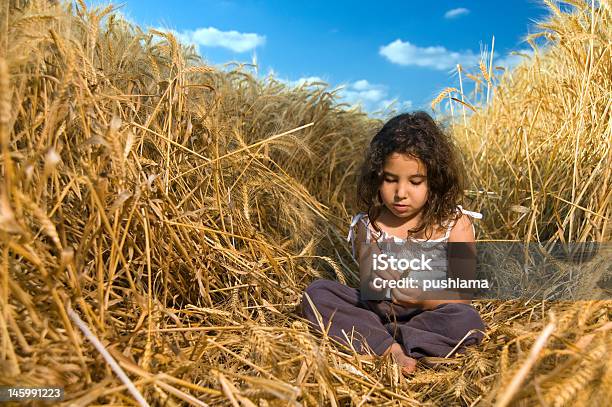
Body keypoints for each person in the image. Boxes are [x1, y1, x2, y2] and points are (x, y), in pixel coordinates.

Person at [299, 111, 486, 375]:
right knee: (317, 293)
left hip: (432, 315)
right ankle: (391, 348)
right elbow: (369, 279)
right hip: (376, 313)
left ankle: (406, 338)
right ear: (377, 177)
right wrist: (379, 277)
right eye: (390, 179)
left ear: (434, 180)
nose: (400, 193)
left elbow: (462, 293)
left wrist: (422, 297)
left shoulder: (456, 223)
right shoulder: (369, 224)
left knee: (467, 320)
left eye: (415, 181)